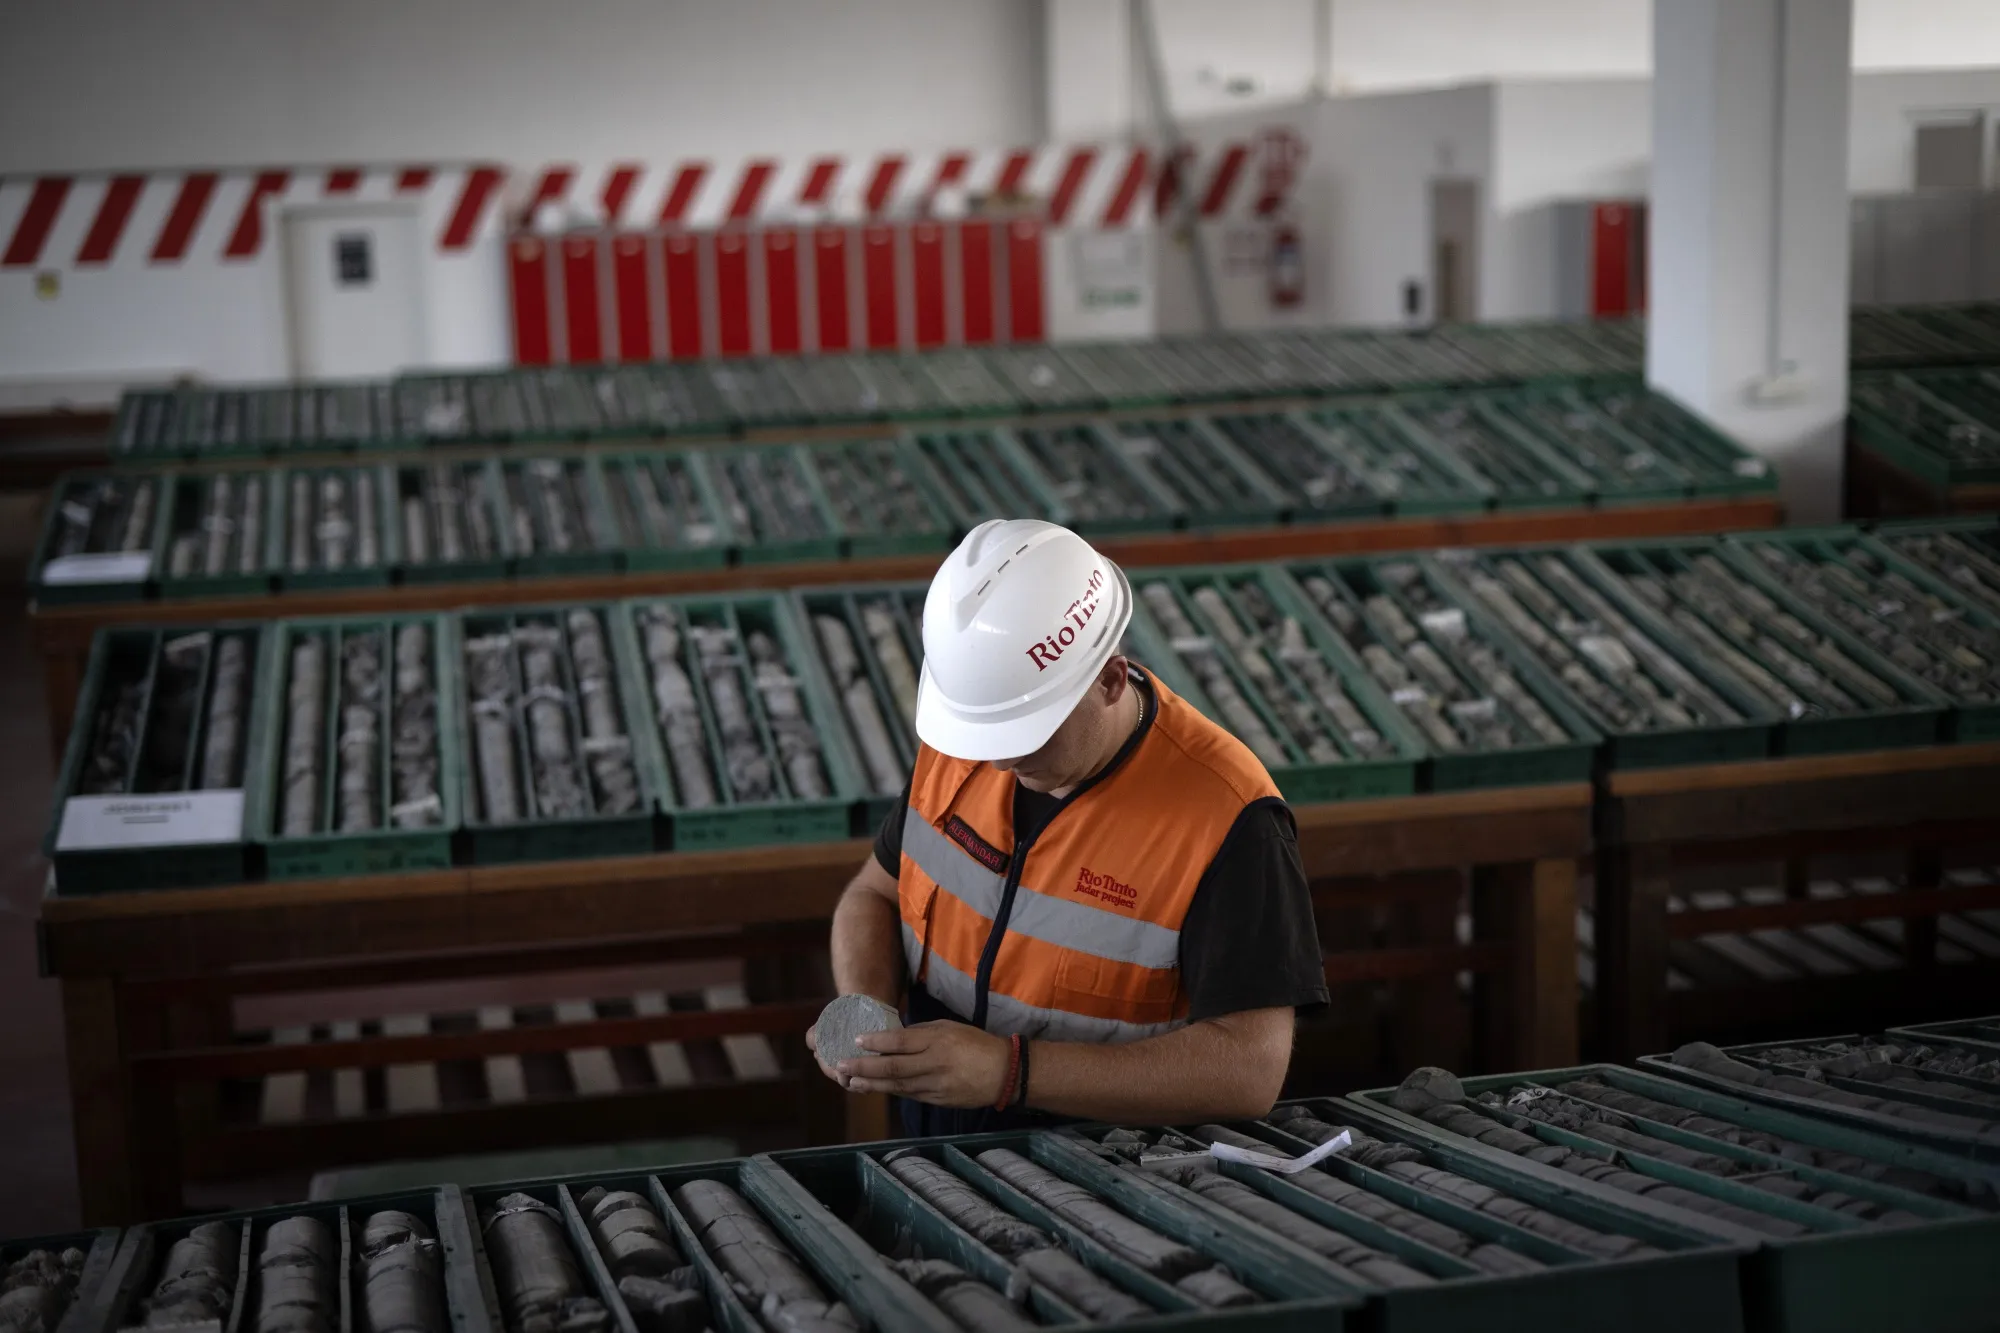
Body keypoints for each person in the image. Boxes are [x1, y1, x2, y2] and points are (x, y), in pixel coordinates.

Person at [807, 518, 1327, 1135]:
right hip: (937, 1132)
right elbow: (874, 891)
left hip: (1111, 1162)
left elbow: (1248, 1071)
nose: (998, 760)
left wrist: (1011, 1071)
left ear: (1110, 679)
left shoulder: (1227, 819)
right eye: (985, 735)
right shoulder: (967, 740)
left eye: (1025, 733)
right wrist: (865, 1006)